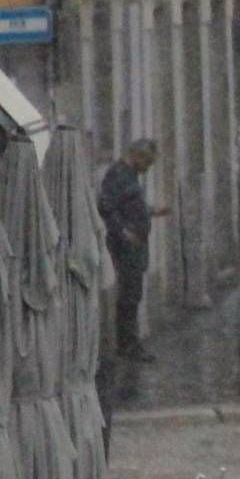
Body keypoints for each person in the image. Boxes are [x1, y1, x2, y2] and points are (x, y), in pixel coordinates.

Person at [97, 139, 167, 363]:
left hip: (136, 242)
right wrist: (122, 232)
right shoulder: (118, 174)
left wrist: (152, 211)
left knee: (133, 292)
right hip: (126, 244)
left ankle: (130, 342)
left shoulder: (130, 176)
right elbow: (106, 206)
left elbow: (131, 205)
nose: (147, 168)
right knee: (129, 293)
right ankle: (127, 344)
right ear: (137, 156)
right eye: (147, 162)